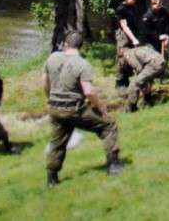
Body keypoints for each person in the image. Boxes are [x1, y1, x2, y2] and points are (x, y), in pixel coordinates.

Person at [43, 31, 124, 188]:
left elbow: (45, 82)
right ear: (82, 46)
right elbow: (88, 92)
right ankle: (113, 165)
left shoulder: (52, 58)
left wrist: (49, 99)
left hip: (54, 108)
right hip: (74, 109)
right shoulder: (82, 64)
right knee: (108, 125)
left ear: (65, 44)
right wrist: (99, 107)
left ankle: (52, 179)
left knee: (57, 142)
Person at [119, 44, 167, 113]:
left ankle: (131, 107)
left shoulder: (129, 55)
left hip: (154, 64)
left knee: (134, 84)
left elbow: (139, 68)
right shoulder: (138, 49)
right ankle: (147, 101)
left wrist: (140, 82)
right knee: (147, 80)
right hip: (161, 60)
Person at [114, 0, 143, 88]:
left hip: (133, 33)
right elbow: (124, 26)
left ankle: (127, 80)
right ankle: (120, 81)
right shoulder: (121, 9)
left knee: (132, 57)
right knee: (123, 58)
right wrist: (133, 39)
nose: (135, 0)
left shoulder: (133, 7)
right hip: (124, 35)